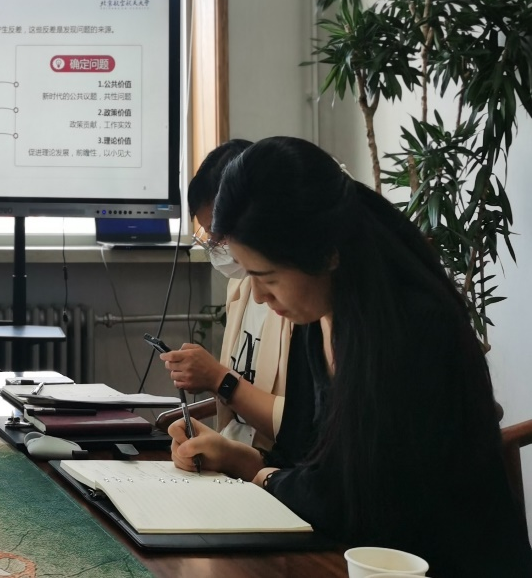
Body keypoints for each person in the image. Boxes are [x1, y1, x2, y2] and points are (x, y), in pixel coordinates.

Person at [167, 136, 531, 576]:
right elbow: (307, 454)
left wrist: (260, 475)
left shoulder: (412, 327)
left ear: (327, 254)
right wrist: (241, 459)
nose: (259, 296)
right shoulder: (319, 313)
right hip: (358, 555)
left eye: (268, 278)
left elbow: (360, 500)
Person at [159, 138, 291, 450]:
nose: (216, 248)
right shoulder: (240, 284)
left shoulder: (303, 300)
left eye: (220, 237)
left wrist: (219, 379)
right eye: (209, 236)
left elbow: (304, 423)